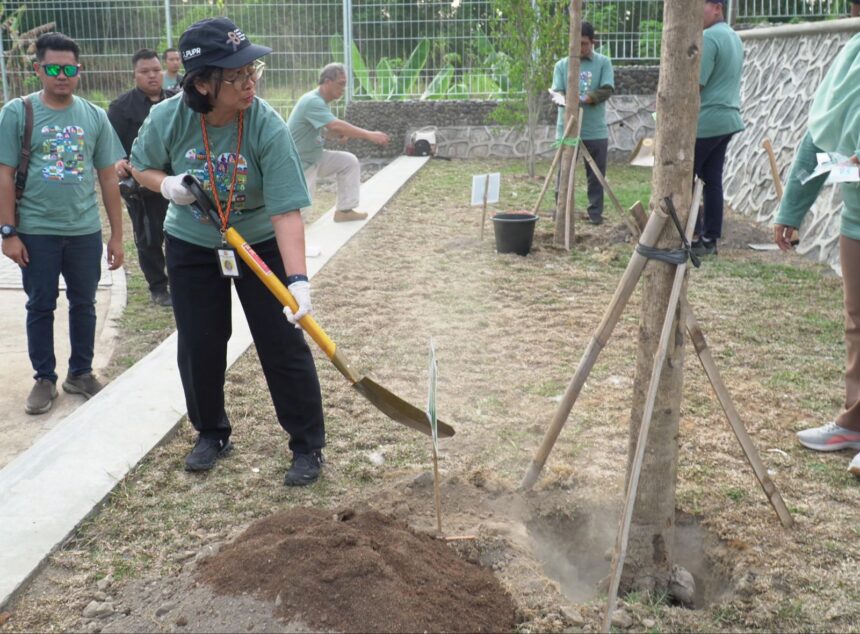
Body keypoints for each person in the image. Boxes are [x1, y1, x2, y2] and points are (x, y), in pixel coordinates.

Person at [130, 17, 326, 485]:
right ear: (202, 83)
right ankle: (211, 432)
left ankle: (307, 446)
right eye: (236, 77)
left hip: (258, 242)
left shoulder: (266, 125)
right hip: (193, 245)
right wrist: (167, 183)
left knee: (281, 342)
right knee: (200, 342)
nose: (249, 84)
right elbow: (139, 166)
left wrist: (297, 280)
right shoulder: (167, 117)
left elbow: (285, 212)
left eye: (252, 71)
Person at [0, 32, 124, 415]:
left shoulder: (94, 115)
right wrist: (8, 232)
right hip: (36, 230)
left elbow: (107, 177)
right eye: (53, 68)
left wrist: (117, 235)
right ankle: (44, 378)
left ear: (79, 71)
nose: (61, 75)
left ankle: (80, 373)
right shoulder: (17, 112)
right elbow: (4, 175)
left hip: (84, 230)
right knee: (40, 305)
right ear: (38, 69)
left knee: (84, 303)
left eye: (69, 68)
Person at [773, 33, 860, 477]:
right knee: (856, 322)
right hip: (857, 221)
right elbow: (820, 132)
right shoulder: (851, 56)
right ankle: (854, 422)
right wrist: (792, 208)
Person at [108, 48, 173, 306]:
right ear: (134, 74)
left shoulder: (176, 101)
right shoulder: (121, 108)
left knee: (180, 234)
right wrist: (117, 162)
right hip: (141, 185)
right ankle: (158, 287)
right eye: (145, 72)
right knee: (149, 236)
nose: (152, 76)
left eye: (156, 70)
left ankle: (183, 281)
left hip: (176, 180)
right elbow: (110, 147)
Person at [287, 63, 390, 224]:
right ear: (327, 82)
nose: (344, 88)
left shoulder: (321, 102)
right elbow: (335, 124)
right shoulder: (312, 101)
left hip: (314, 158)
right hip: (299, 163)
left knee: (348, 162)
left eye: (345, 84)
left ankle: (345, 210)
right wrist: (369, 135)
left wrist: (333, 135)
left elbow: (323, 131)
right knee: (300, 214)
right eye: (341, 83)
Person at [691, 0, 745, 256]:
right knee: (712, 180)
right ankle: (710, 239)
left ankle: (689, 232)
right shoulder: (733, 36)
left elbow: (696, 83)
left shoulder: (709, 37)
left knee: (684, 176)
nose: (695, 13)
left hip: (707, 119)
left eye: (699, 6)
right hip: (728, 118)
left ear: (717, 7)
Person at [551, 21, 614, 225]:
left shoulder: (603, 62)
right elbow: (557, 91)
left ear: (592, 42)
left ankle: (595, 213)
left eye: (584, 44)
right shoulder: (561, 65)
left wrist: (587, 98)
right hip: (567, 129)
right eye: (576, 43)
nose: (580, 48)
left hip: (594, 130)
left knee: (596, 175)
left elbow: (607, 89)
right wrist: (563, 99)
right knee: (564, 172)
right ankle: (561, 211)